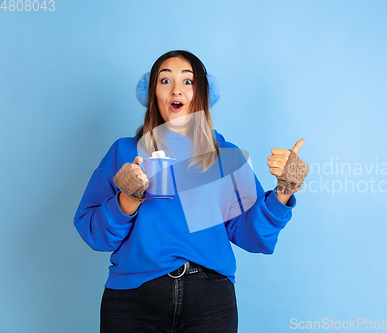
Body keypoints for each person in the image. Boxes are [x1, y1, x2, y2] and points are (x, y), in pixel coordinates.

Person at [73, 50, 309, 333]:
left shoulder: (227, 156)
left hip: (210, 301)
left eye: (188, 81)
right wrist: (126, 199)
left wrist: (285, 188)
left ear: (202, 94)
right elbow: (95, 235)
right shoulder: (124, 151)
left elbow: (251, 235)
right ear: (152, 94)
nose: (176, 89)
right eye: (164, 80)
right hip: (132, 300)